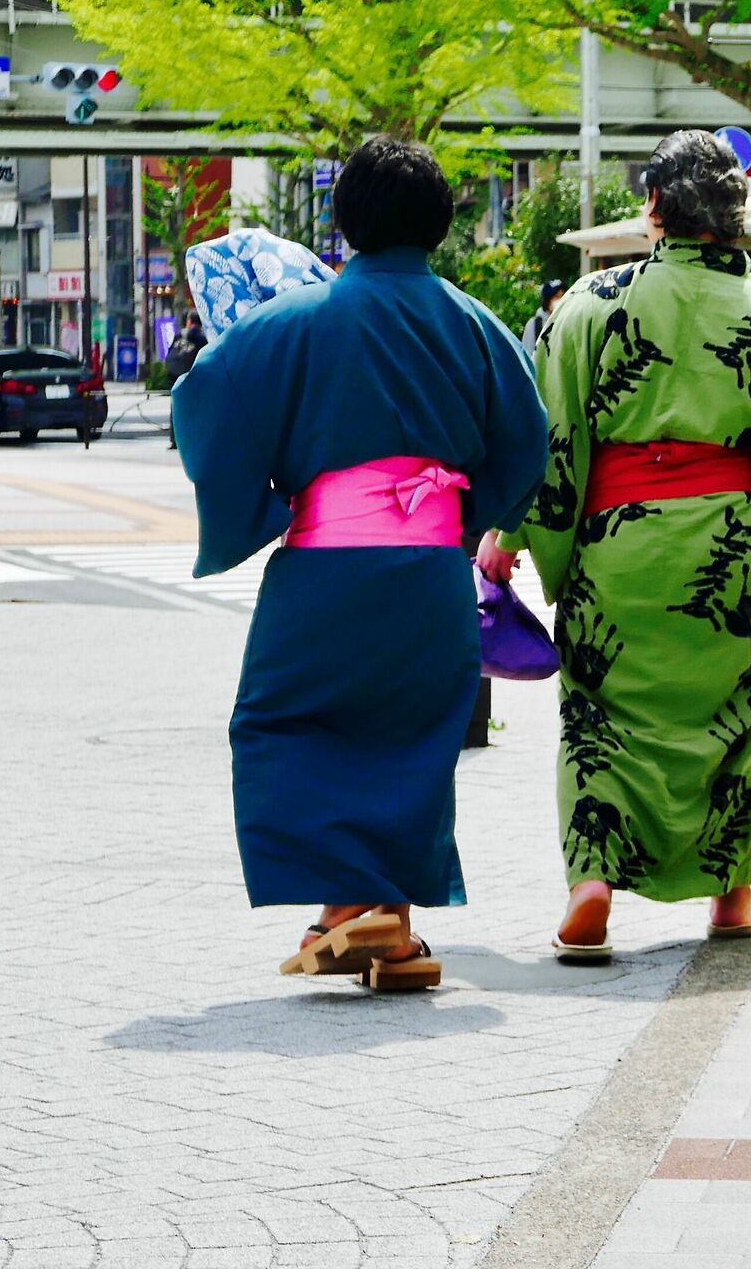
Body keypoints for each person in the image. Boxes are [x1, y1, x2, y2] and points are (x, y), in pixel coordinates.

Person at [480, 129, 751, 960]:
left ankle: (592, 883)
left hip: (617, 550)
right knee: (739, 717)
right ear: (735, 218)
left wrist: (507, 537)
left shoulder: (589, 307)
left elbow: (543, 436)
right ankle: (733, 898)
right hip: (738, 555)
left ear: (654, 207)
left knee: (595, 715)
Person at [174, 136, 549, 991]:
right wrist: (466, 516)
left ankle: (351, 911)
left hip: (325, 570)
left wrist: (261, 499)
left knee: (285, 728)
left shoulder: (294, 321)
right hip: (429, 575)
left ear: (343, 223)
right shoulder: (478, 326)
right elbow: (528, 442)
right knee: (411, 738)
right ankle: (390, 927)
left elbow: (206, 403)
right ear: (441, 226)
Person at [521, 280, 566, 353]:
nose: (560, 300)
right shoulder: (534, 324)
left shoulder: (567, 321)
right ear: (547, 301)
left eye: (563, 296)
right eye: (556, 297)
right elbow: (528, 353)